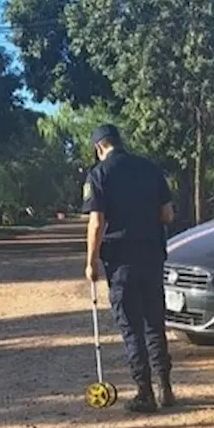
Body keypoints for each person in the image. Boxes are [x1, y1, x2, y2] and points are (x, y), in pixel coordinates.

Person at [82, 124, 177, 413]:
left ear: (99, 148)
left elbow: (96, 223)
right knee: (154, 322)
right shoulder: (150, 168)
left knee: (131, 326)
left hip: (121, 260)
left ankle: (144, 392)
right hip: (151, 255)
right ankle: (166, 388)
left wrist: (91, 262)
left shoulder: (99, 174)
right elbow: (167, 214)